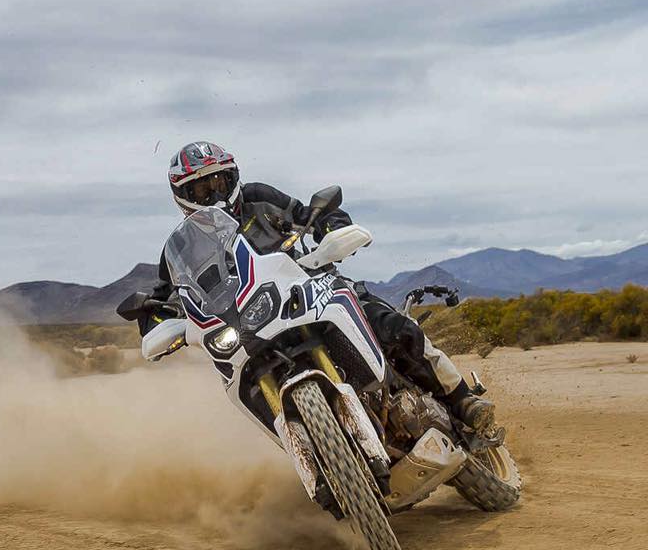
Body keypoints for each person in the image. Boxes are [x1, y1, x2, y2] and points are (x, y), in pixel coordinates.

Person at [139, 141, 498, 439]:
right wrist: (156, 320)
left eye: (220, 181)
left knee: (393, 326)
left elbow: (309, 214)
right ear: (183, 195)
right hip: (247, 326)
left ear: (233, 177)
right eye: (202, 189)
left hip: (310, 289)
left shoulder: (258, 198)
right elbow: (162, 298)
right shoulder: (183, 250)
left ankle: (462, 400)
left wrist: (330, 228)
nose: (215, 193)